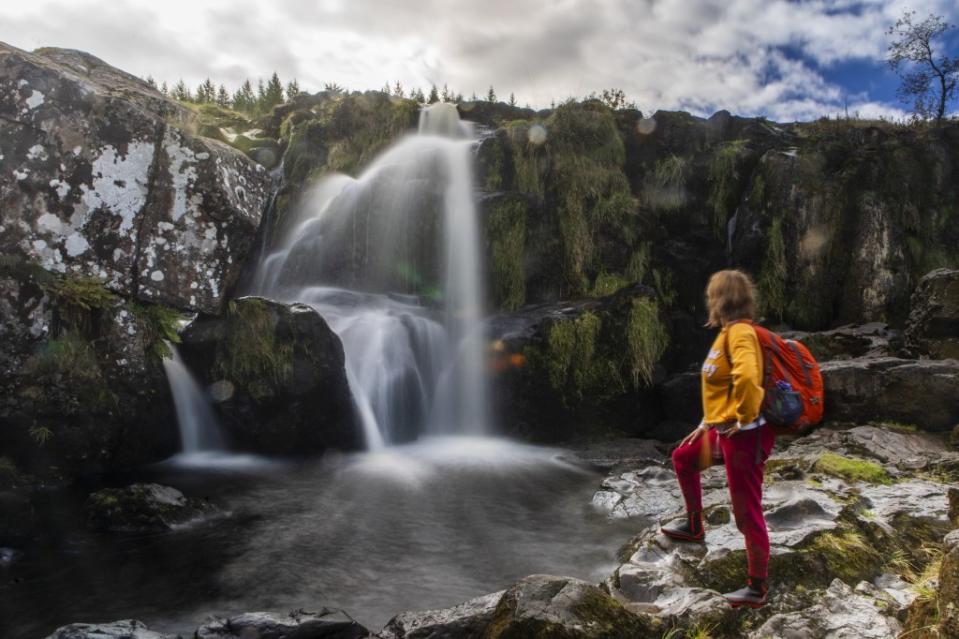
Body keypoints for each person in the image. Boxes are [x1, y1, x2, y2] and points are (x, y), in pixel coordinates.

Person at [661, 269, 775, 609]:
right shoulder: (726, 333)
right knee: (683, 457)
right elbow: (721, 384)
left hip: (744, 437)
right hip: (721, 431)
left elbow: (747, 378)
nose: (708, 300)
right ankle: (694, 525)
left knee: (746, 513)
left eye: (712, 294)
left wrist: (743, 417)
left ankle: (757, 588)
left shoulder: (740, 333)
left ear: (720, 299)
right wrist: (706, 422)